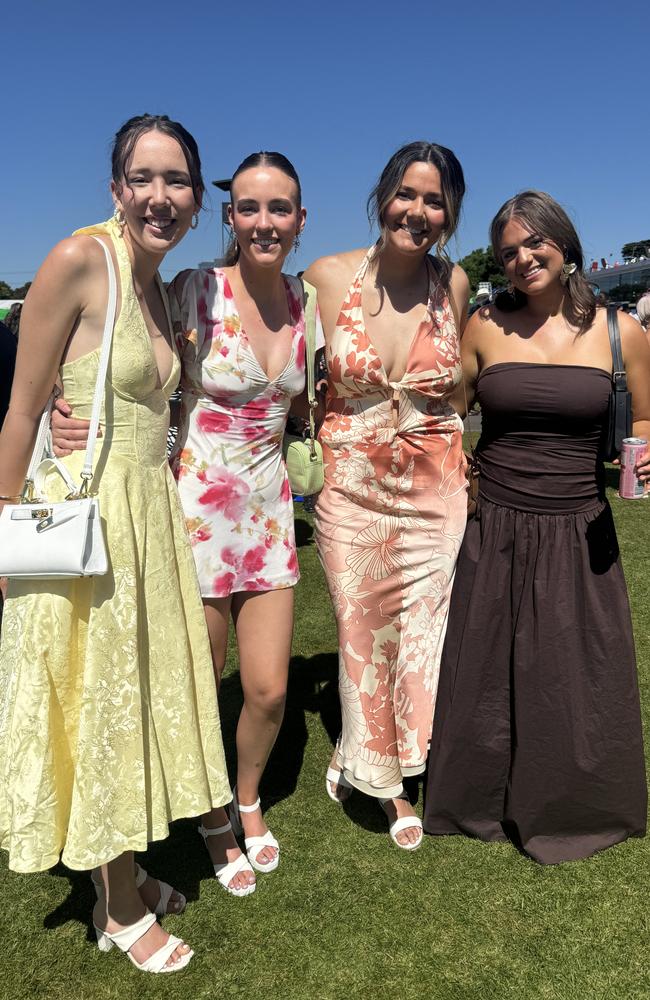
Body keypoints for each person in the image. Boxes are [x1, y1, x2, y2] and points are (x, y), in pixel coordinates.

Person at [0, 114, 232, 972]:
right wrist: (2, 528)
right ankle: (121, 905)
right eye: (144, 177)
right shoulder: (78, 260)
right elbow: (23, 409)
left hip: (146, 521)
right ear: (115, 187)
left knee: (126, 699)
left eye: (177, 182)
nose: (160, 196)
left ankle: (116, 879)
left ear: (197, 200)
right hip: (88, 524)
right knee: (100, 701)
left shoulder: (159, 285)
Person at [52, 150, 316, 892]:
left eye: (281, 208)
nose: (265, 222)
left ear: (301, 220)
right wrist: (57, 406)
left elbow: (304, 407)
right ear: (230, 216)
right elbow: (124, 356)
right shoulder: (194, 288)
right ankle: (207, 818)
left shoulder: (306, 302)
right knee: (201, 680)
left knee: (266, 689)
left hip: (269, 519)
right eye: (251, 207)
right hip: (191, 515)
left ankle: (246, 796)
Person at [423, 190, 650, 864]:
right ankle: (476, 799)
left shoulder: (622, 331)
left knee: (575, 672)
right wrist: (449, 456)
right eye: (508, 252)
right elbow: (448, 411)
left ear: (565, 244)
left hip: (580, 527)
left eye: (533, 244)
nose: (522, 259)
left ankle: (576, 804)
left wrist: (643, 444)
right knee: (486, 669)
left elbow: (643, 418)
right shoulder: (486, 325)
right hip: (493, 521)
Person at [304, 141, 470, 849]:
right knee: (361, 629)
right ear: (383, 196)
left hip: (436, 481)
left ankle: (393, 762)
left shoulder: (455, 284)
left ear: (451, 212)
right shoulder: (326, 276)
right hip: (351, 483)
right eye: (408, 193)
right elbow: (290, 377)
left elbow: (461, 384)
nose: (419, 211)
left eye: (436, 200)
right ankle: (384, 777)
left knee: (424, 631)